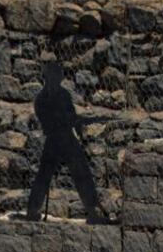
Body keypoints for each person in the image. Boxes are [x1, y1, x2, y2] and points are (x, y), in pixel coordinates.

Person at [28, 62, 109, 225]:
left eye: (58, 75)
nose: (57, 78)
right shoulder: (41, 100)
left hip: (66, 138)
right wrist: (74, 122)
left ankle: (93, 210)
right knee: (45, 175)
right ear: (47, 77)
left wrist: (80, 127)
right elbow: (57, 122)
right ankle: (32, 210)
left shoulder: (63, 95)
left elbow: (71, 117)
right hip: (55, 140)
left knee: (81, 172)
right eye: (54, 75)